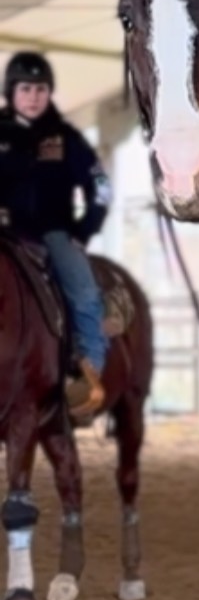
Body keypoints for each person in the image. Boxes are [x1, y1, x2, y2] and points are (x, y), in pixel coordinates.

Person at [0, 51, 111, 417]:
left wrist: (85, 229)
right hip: (3, 230)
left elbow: (101, 187)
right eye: (26, 88)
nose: (33, 96)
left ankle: (87, 371)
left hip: (52, 234)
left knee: (83, 291)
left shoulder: (66, 138)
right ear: (11, 92)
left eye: (41, 89)